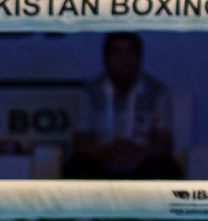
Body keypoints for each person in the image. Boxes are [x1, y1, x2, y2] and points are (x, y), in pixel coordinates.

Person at [68, 32, 183, 179]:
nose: (124, 60)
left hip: (142, 161)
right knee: (76, 166)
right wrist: (108, 151)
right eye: (117, 52)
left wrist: (137, 153)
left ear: (140, 58)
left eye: (130, 52)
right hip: (103, 160)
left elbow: (164, 141)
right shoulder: (90, 92)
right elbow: (80, 141)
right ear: (106, 58)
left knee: (168, 168)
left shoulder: (157, 91)